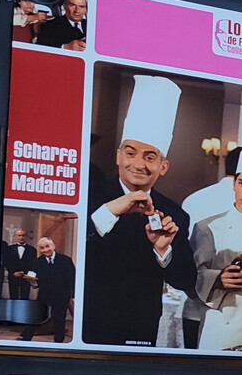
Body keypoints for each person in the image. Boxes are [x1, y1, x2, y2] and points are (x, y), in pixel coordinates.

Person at [84, 75, 196, 347]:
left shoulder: (174, 213)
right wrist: (110, 211)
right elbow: (73, 248)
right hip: (89, 318)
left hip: (140, 323)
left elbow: (186, 280)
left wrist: (163, 250)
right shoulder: (89, 195)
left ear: (163, 167)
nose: (138, 164)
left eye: (149, 157)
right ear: (118, 156)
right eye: (131, 153)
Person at [190, 112, 242, 351]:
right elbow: (190, 277)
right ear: (233, 184)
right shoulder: (207, 227)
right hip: (219, 332)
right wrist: (218, 278)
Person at [19, 238, 76, 342]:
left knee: (59, 318)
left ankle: (58, 341)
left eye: (47, 246)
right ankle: (26, 337)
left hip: (62, 295)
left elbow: (73, 278)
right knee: (37, 315)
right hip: (44, 294)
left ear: (53, 246)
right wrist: (32, 282)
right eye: (42, 248)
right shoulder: (37, 262)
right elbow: (35, 283)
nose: (45, 250)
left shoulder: (66, 260)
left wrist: (73, 295)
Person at [2, 229, 36, 302]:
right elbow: (7, 262)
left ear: (26, 237)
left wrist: (24, 273)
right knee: (13, 296)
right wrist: (13, 272)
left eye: (23, 235)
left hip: (26, 277)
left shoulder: (32, 250)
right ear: (16, 237)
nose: (21, 237)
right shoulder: (10, 249)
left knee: (25, 297)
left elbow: (33, 263)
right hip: (13, 276)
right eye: (19, 235)